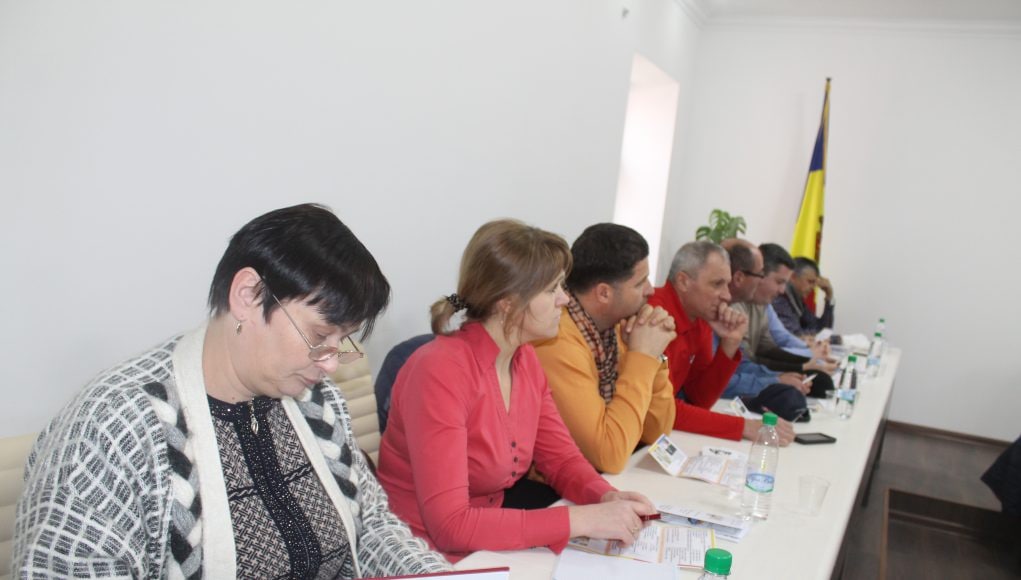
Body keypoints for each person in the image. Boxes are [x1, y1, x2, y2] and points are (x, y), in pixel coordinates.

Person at [14, 204, 451, 579]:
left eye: (343, 341)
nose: (331, 363)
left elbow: (370, 527)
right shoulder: (115, 428)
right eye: (320, 336)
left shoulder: (316, 402)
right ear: (248, 295)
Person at [377, 220, 657, 562]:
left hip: (487, 546)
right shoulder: (439, 371)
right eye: (552, 289)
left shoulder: (524, 359)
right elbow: (450, 525)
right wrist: (581, 519)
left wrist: (605, 497)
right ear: (507, 302)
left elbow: (561, 459)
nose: (564, 299)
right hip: (421, 555)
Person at [533, 223, 676, 474]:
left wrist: (655, 357)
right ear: (604, 293)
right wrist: (642, 357)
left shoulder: (616, 329)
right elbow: (609, 455)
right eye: (640, 283)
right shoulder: (556, 340)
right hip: (548, 487)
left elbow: (657, 432)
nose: (650, 290)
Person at [647, 241, 795, 446]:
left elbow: (700, 399)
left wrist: (729, 345)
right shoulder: (654, 314)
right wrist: (743, 427)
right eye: (717, 284)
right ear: (683, 281)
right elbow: (662, 410)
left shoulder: (700, 317)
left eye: (727, 284)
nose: (727, 295)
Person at [724, 243, 836, 399]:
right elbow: (745, 363)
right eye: (779, 282)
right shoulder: (733, 308)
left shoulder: (763, 304)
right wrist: (802, 365)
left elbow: (767, 348)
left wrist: (802, 363)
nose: (783, 290)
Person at [773, 256, 835, 337]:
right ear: (793, 277)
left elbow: (823, 330)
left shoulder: (797, 299)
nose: (813, 287)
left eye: (814, 283)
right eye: (810, 282)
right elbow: (795, 335)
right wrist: (837, 339)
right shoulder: (780, 298)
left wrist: (829, 297)